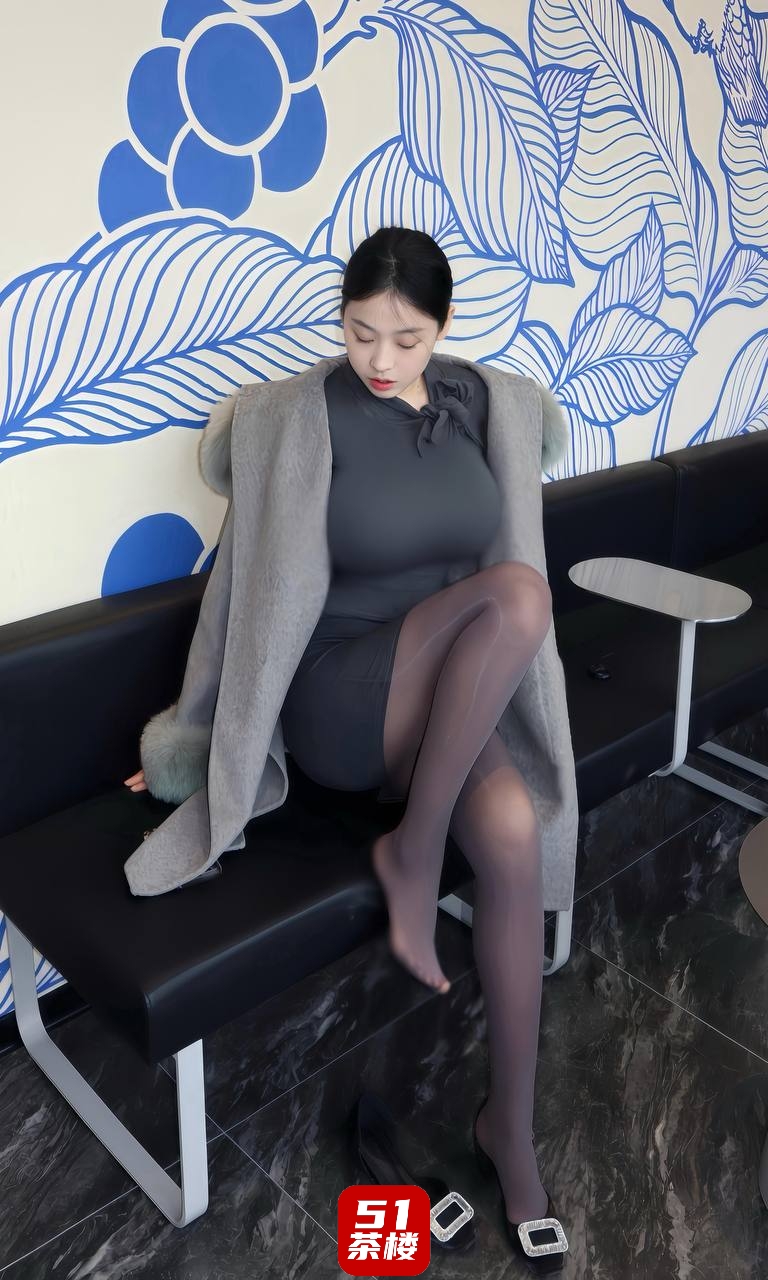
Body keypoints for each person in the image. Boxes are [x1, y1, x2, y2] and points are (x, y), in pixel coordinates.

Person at [125, 226, 567, 1258]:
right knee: (518, 594)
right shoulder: (293, 416)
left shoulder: (480, 407)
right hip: (343, 694)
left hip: (449, 702)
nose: (379, 358)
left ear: (442, 328)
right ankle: (414, 852)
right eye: (360, 331)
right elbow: (239, 594)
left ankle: (509, 1128)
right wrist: (194, 734)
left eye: (406, 339)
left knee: (511, 826)